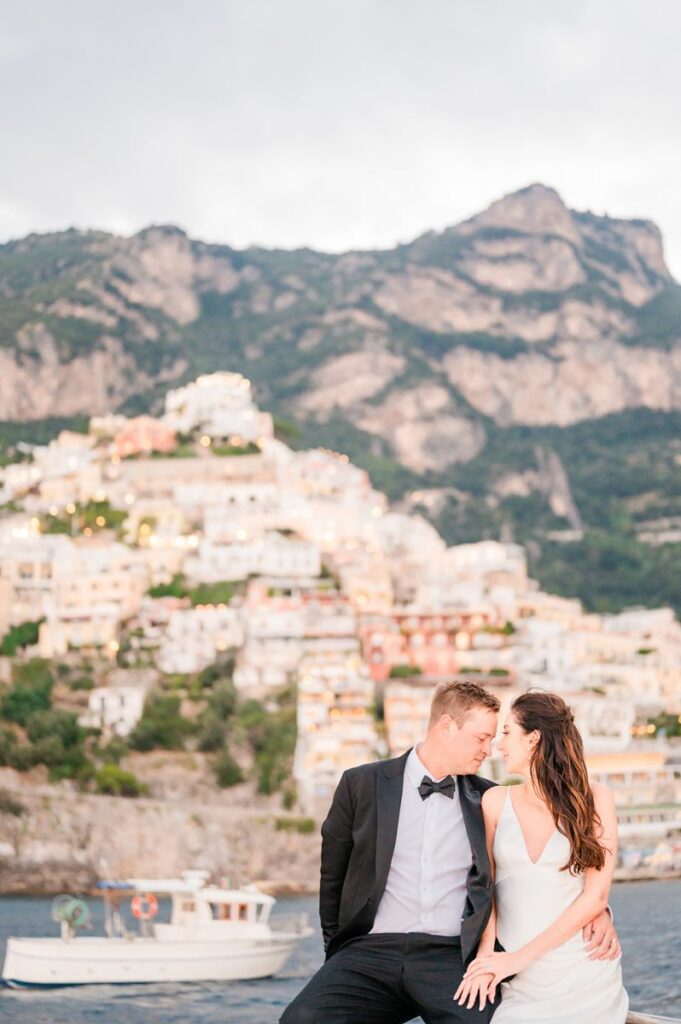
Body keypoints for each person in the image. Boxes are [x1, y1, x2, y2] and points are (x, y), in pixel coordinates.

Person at [280, 682, 619, 1024]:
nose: (489, 749)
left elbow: (527, 873)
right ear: (446, 726)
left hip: (449, 955)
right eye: (481, 738)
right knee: (301, 1019)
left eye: (495, 736)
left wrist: (599, 909)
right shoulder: (362, 784)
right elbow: (332, 874)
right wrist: (336, 950)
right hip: (370, 951)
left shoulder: (488, 799)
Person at [456, 691, 628, 1023]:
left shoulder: (596, 800)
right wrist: (486, 960)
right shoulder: (494, 801)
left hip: (585, 973)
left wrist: (517, 959)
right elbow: (484, 889)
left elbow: (596, 896)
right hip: (522, 984)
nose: (499, 745)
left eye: (507, 732)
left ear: (533, 738)